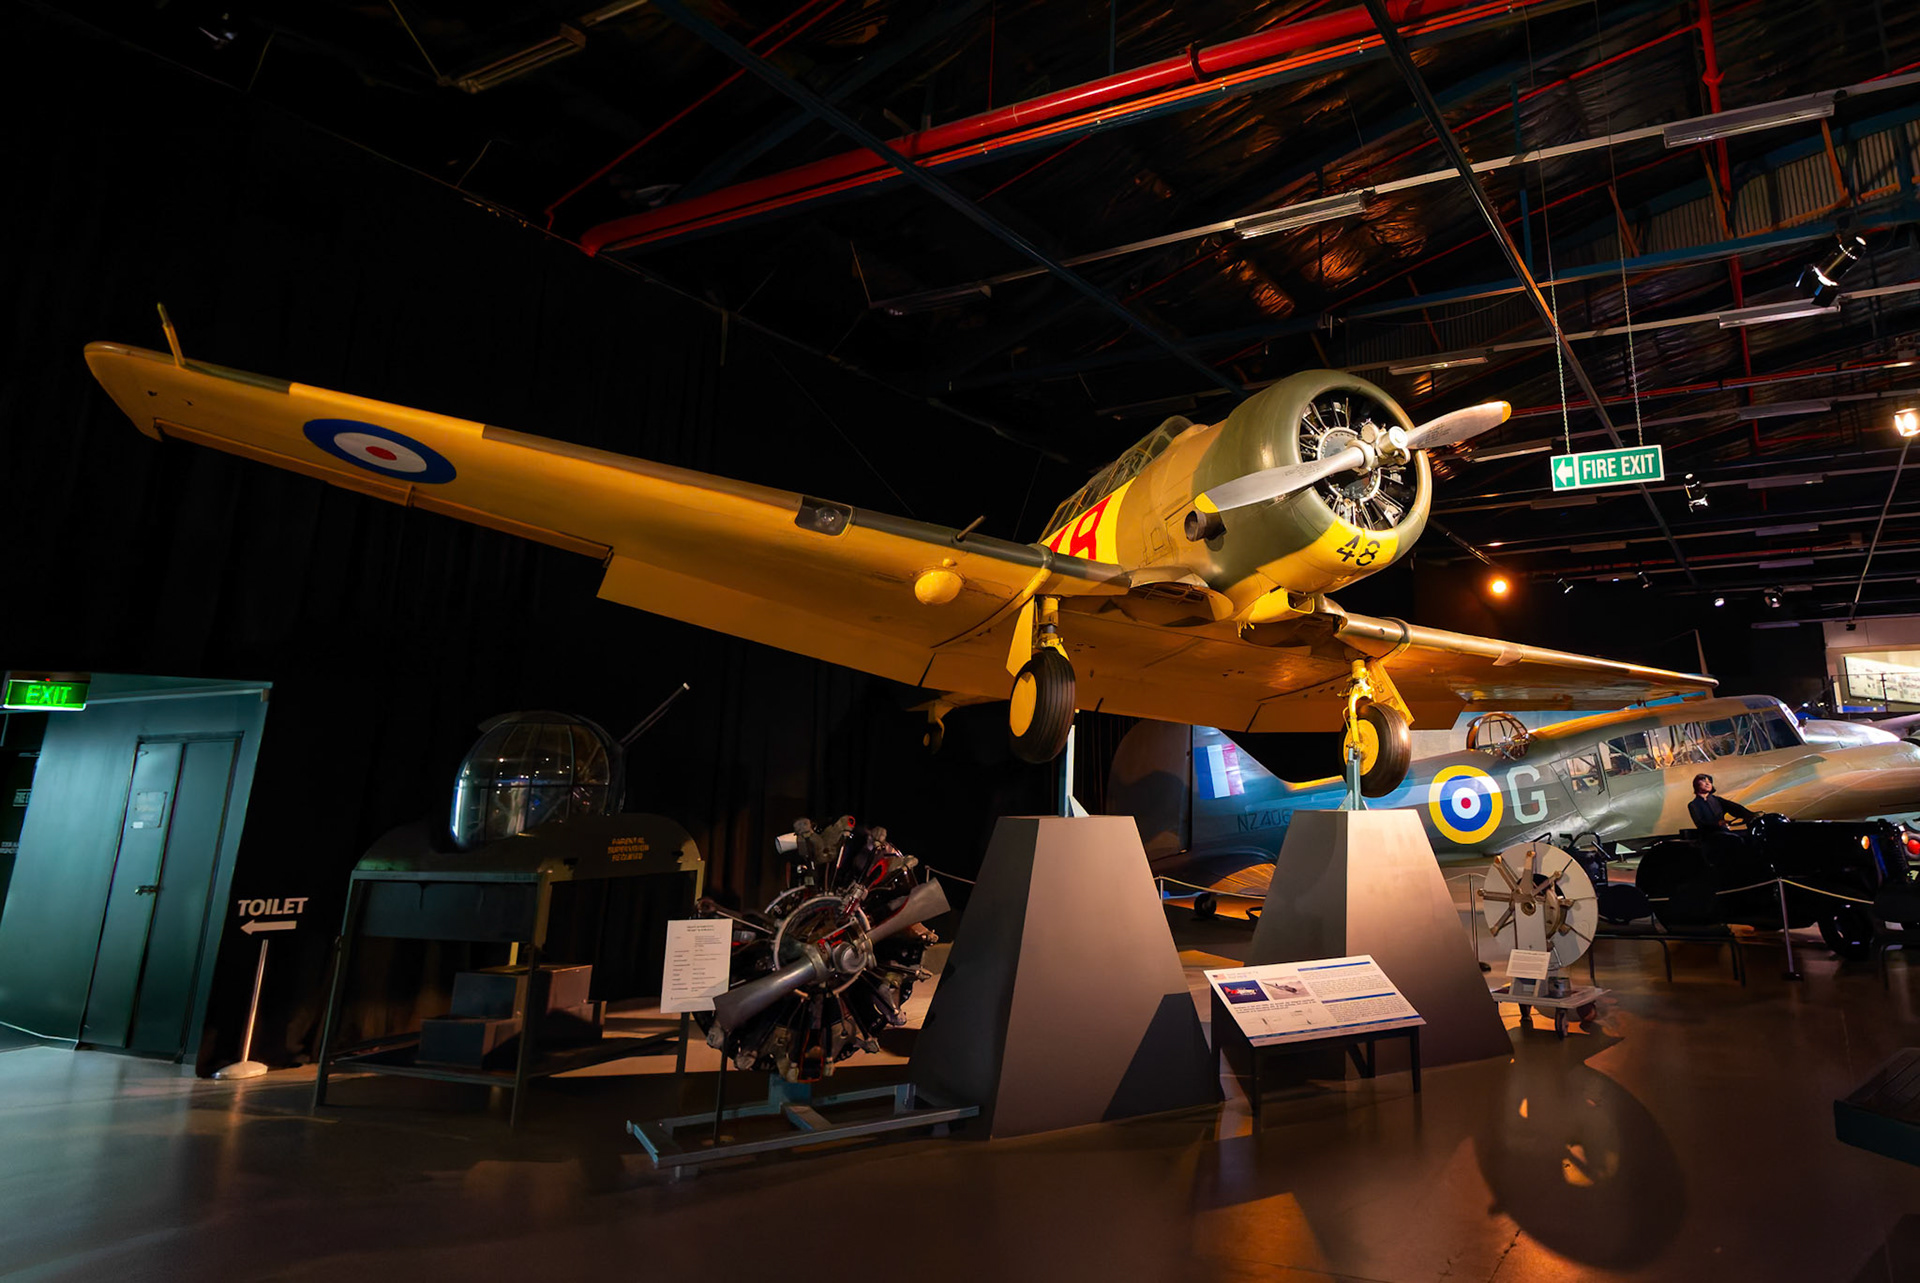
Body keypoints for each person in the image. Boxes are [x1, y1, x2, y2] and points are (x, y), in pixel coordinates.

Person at [1688, 773, 1756, 834]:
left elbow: (1735, 808)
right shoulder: (1693, 805)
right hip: (1709, 837)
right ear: (1696, 784)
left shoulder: (1718, 800)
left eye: (1709, 782)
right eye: (1704, 781)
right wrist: (1718, 823)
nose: (1708, 784)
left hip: (1723, 832)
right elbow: (1701, 824)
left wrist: (1750, 815)